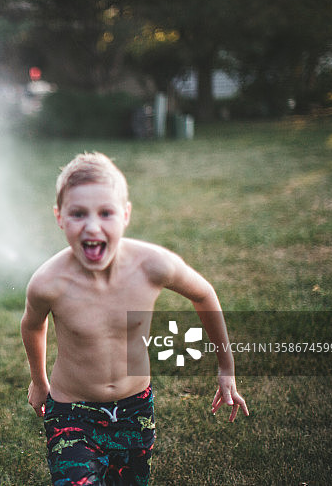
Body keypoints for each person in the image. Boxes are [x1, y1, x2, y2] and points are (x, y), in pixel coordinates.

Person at [20, 152, 248, 486]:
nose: (92, 225)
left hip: (135, 410)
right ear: (60, 217)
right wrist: (39, 381)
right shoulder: (48, 283)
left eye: (106, 213)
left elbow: (204, 295)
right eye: (78, 213)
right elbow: (32, 324)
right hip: (73, 411)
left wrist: (226, 368)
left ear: (125, 215)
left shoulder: (152, 266)